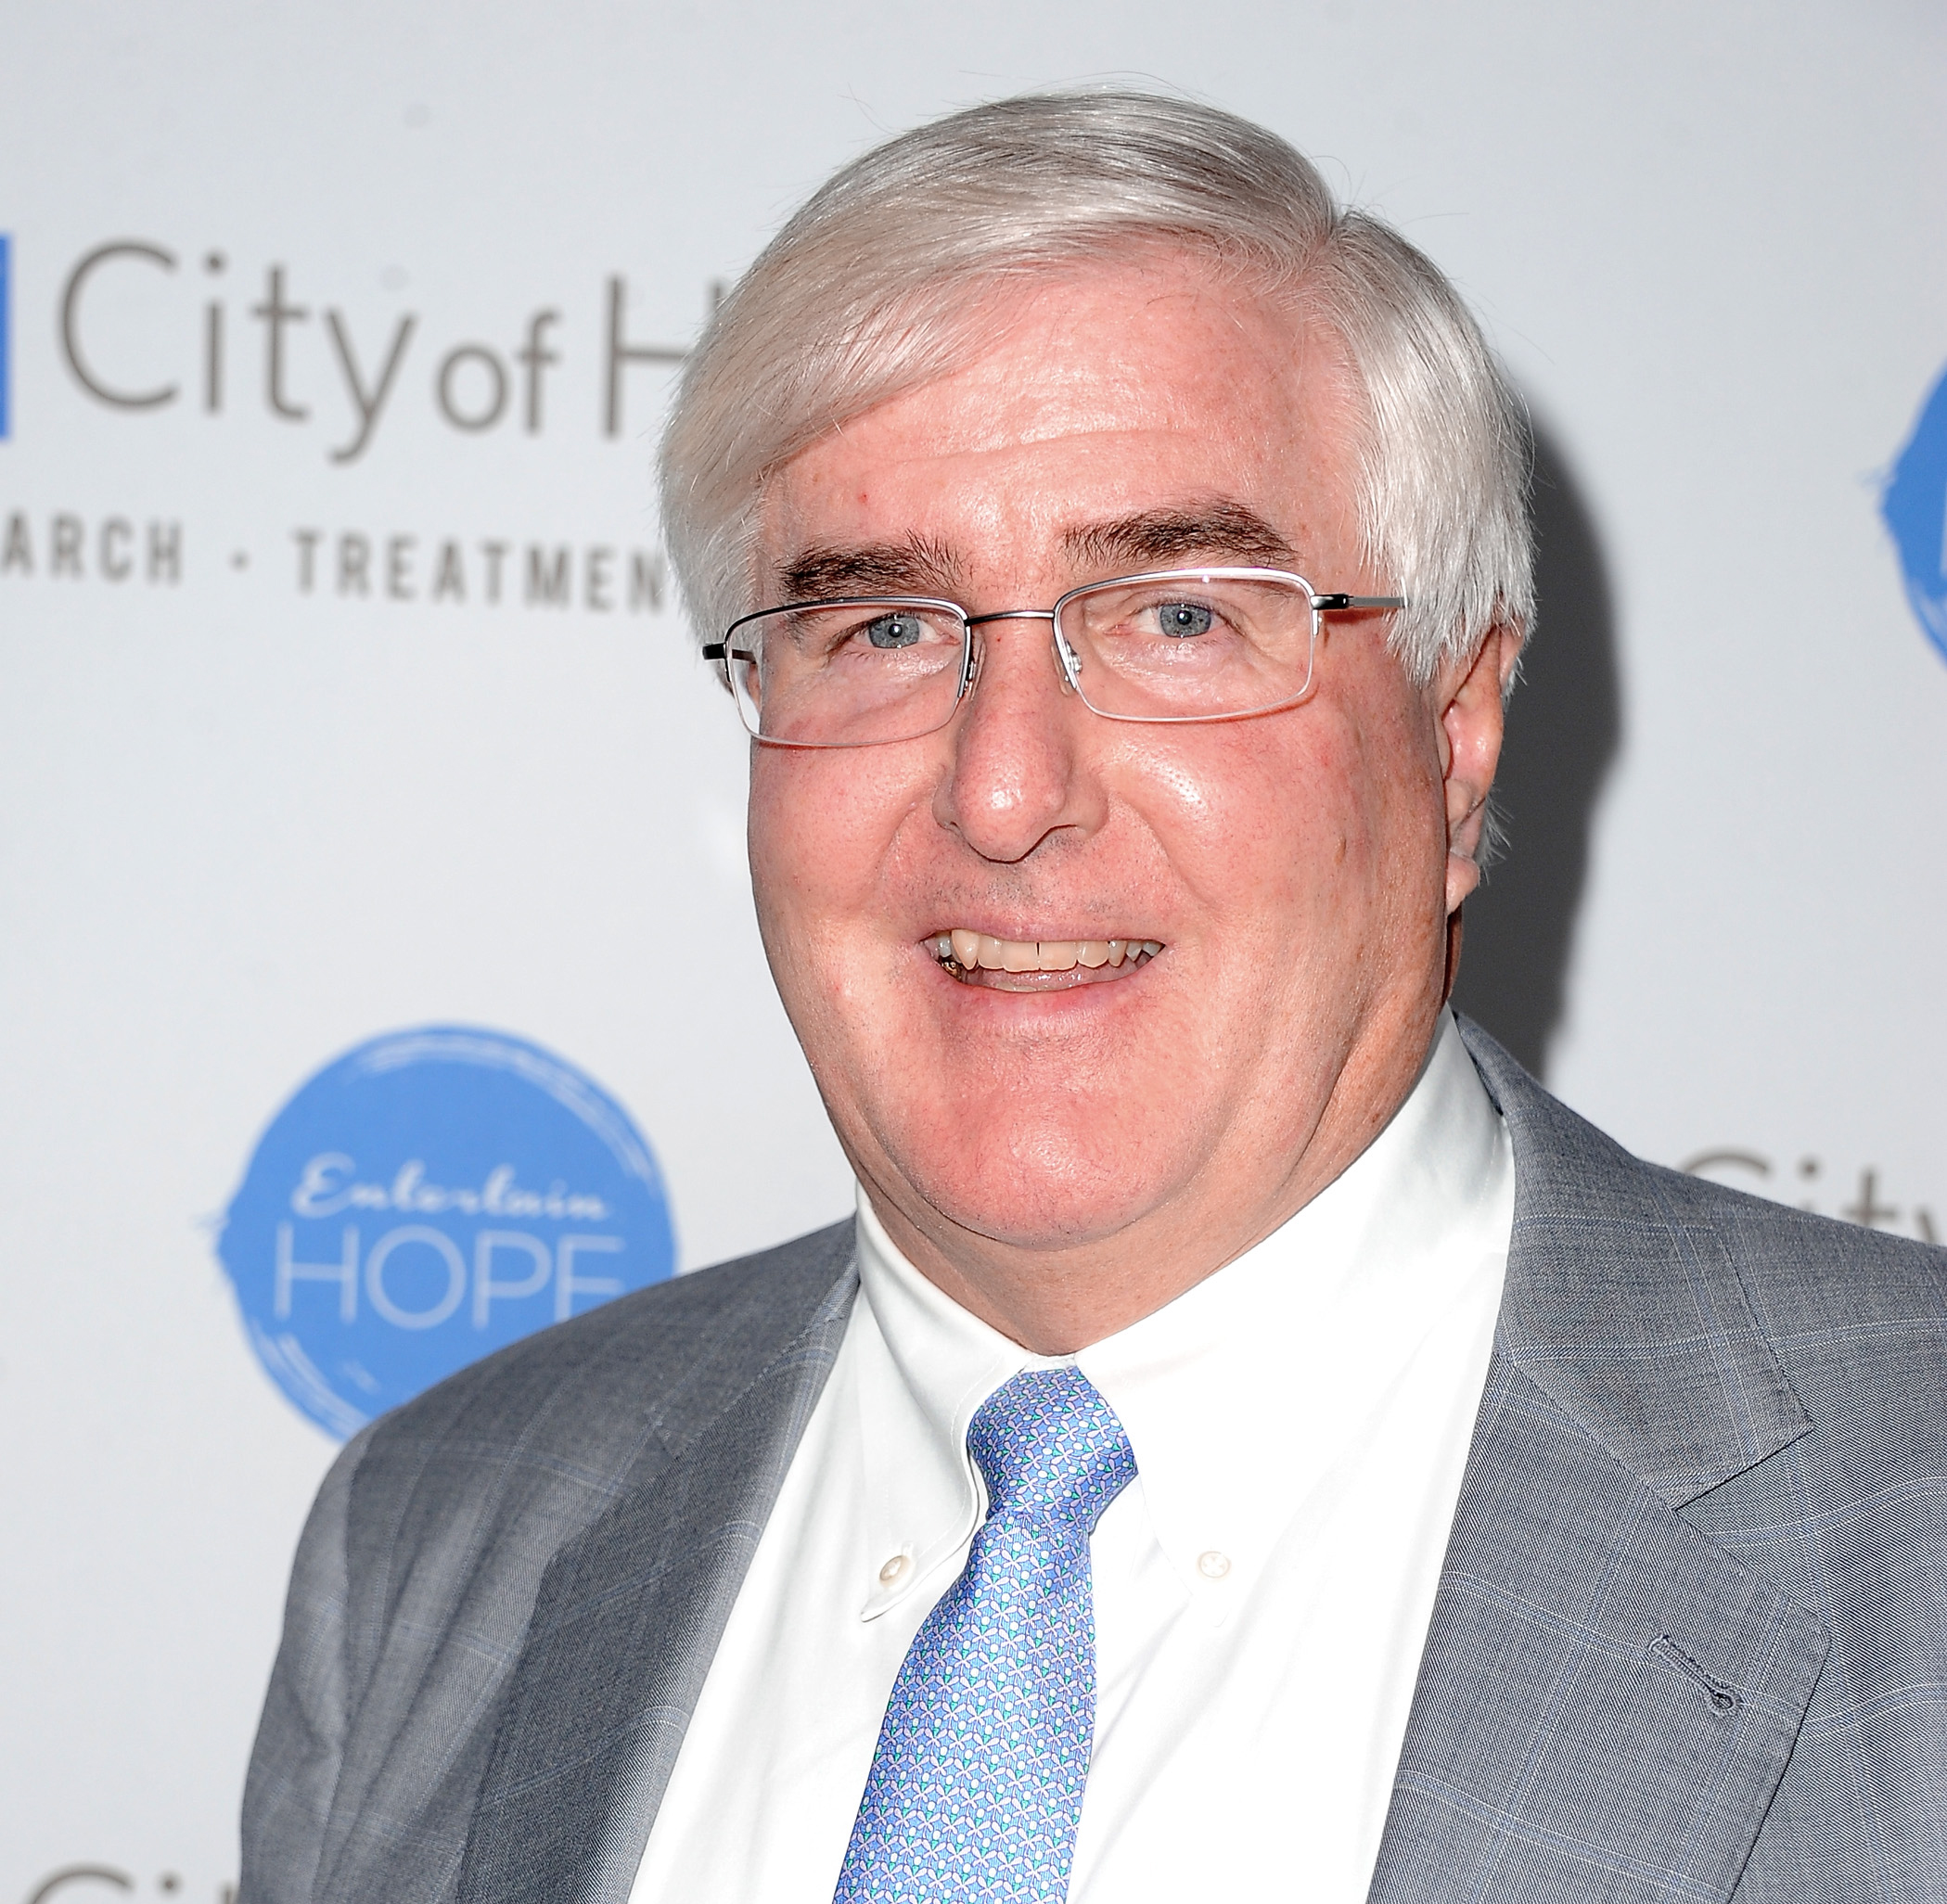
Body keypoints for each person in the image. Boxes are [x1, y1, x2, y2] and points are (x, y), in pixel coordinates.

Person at [240, 94, 1947, 1904]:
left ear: (1455, 735)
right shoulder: (441, 1538)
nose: (1003, 790)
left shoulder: (1909, 1515)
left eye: (1178, 616)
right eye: (883, 626)